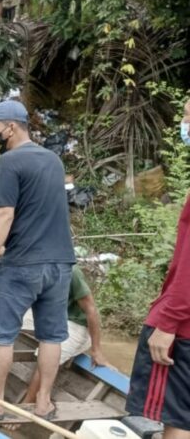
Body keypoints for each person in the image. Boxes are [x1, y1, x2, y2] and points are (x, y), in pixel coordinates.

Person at [0, 100, 75, 421]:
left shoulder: (10, 162)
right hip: (60, 264)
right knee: (52, 335)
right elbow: (39, 211)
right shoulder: (53, 160)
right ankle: (43, 402)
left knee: (0, 333)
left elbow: (4, 214)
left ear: (12, 127)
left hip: (23, 264)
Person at [125, 99, 190, 439]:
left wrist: (168, 323)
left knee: (176, 417)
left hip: (184, 328)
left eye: (186, 117)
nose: (182, 125)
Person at [18, 266, 110, 405]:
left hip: (76, 325)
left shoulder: (71, 271)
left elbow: (91, 310)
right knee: (7, 320)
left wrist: (96, 350)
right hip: (52, 316)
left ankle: (27, 403)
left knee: (46, 354)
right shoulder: (34, 264)